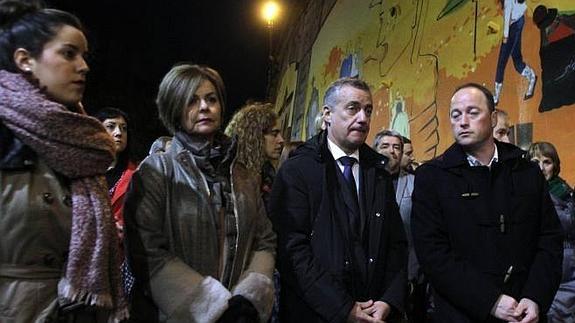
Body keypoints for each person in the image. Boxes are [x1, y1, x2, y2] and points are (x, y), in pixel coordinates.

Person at [0, 1, 127, 321]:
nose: (83, 66)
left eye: (84, 56)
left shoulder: (84, 144)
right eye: (69, 53)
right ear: (25, 60)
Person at [124, 64, 276, 323]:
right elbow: (145, 251)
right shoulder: (157, 171)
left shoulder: (244, 177)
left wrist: (247, 299)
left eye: (211, 99)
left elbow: (264, 241)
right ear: (175, 109)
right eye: (192, 101)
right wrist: (211, 306)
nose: (204, 106)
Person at [412, 83, 563, 322]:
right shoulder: (433, 177)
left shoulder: (525, 171)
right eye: (455, 114)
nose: (462, 121)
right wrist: (489, 301)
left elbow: (549, 240)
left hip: (524, 311)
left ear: (493, 118)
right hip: (461, 312)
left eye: (472, 112)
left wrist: (535, 297)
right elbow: (433, 254)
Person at [270, 77, 407, 323]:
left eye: (368, 110)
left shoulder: (378, 172)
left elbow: (395, 243)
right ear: (327, 114)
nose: (363, 118)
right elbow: (292, 252)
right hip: (315, 314)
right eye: (353, 108)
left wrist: (389, 300)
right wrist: (343, 309)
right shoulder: (297, 170)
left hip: (375, 312)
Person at [374, 130, 424, 323]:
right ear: (375, 149)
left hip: (409, 267)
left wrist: (412, 273)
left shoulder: (414, 183)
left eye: (397, 147)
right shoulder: (366, 181)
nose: (391, 151)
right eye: (385, 146)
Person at [528, 142, 575, 323]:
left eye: (546, 162)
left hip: (567, 274)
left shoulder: (567, 193)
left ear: (555, 165)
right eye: (534, 162)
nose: (540, 168)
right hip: (540, 272)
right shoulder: (522, 195)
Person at [224, 102, 284, 211]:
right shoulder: (230, 174)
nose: (281, 140)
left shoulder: (266, 174)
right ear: (256, 136)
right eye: (274, 134)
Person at [94, 107, 137, 241]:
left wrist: (127, 229)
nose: (119, 133)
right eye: (111, 126)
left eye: (123, 128)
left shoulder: (138, 174)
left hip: (123, 252)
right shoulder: (81, 172)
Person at [494, 0, 537, 105]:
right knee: (517, 58)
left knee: (501, 63)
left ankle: (495, 97)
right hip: (519, 20)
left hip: (512, 27)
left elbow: (508, 14)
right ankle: (531, 76)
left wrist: (505, 36)